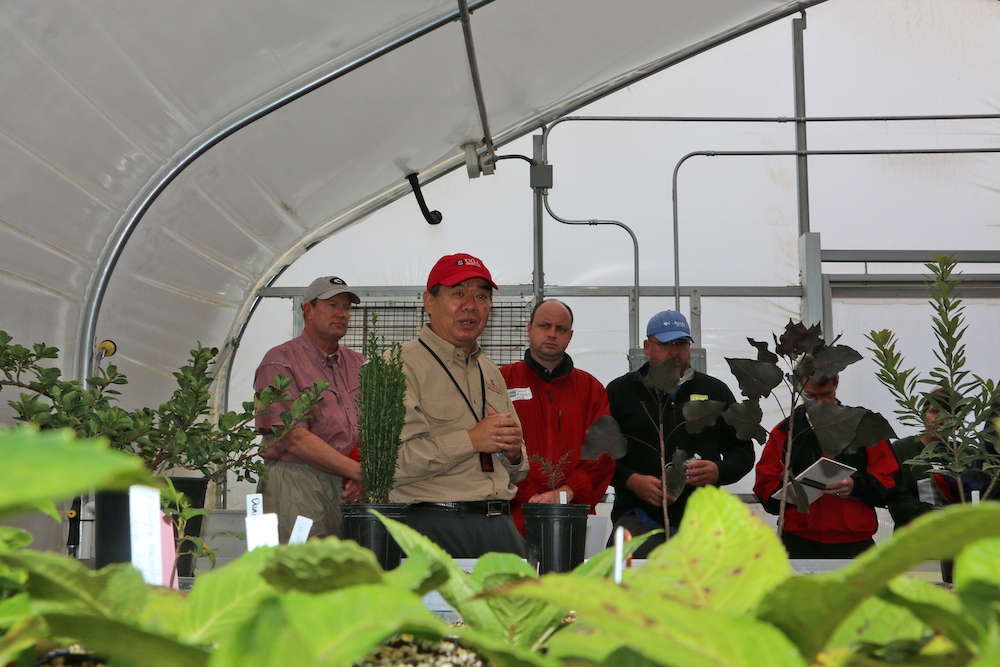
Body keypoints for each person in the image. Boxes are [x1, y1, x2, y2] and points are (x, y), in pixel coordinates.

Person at [389, 253, 529, 558]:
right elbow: (393, 463)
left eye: (481, 295)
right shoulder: (397, 366)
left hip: (499, 526)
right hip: (431, 527)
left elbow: (520, 468)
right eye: (458, 293)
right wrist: (471, 441)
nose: (470, 305)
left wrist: (514, 452)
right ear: (429, 301)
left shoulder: (491, 371)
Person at [606, 310, 754, 556]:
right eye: (665, 344)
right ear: (647, 346)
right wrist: (632, 481)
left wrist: (719, 471)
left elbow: (742, 451)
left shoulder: (715, 392)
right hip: (637, 520)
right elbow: (600, 456)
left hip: (702, 526)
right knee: (633, 591)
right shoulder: (622, 391)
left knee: (701, 593)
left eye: (682, 344)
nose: (674, 352)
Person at [254, 276, 365, 543]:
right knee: (298, 573)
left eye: (347, 307)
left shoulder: (358, 363)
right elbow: (293, 437)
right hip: (295, 482)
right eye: (332, 304)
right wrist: (360, 473)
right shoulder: (279, 361)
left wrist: (361, 476)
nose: (341, 313)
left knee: (347, 575)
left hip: (349, 483)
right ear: (308, 310)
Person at [500, 299, 615, 535]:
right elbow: (491, 448)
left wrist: (568, 491)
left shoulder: (591, 390)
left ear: (570, 336)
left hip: (573, 518)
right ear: (529, 327)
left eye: (560, 329)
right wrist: (527, 494)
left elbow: (603, 453)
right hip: (512, 519)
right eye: (544, 326)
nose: (552, 334)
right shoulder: (501, 382)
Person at [754, 374, 898, 559]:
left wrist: (855, 486)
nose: (820, 404)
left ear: (837, 383)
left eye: (826, 395)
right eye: (811, 396)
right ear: (798, 387)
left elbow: (890, 482)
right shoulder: (784, 432)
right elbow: (765, 488)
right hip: (799, 541)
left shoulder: (864, 426)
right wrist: (789, 493)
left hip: (854, 542)